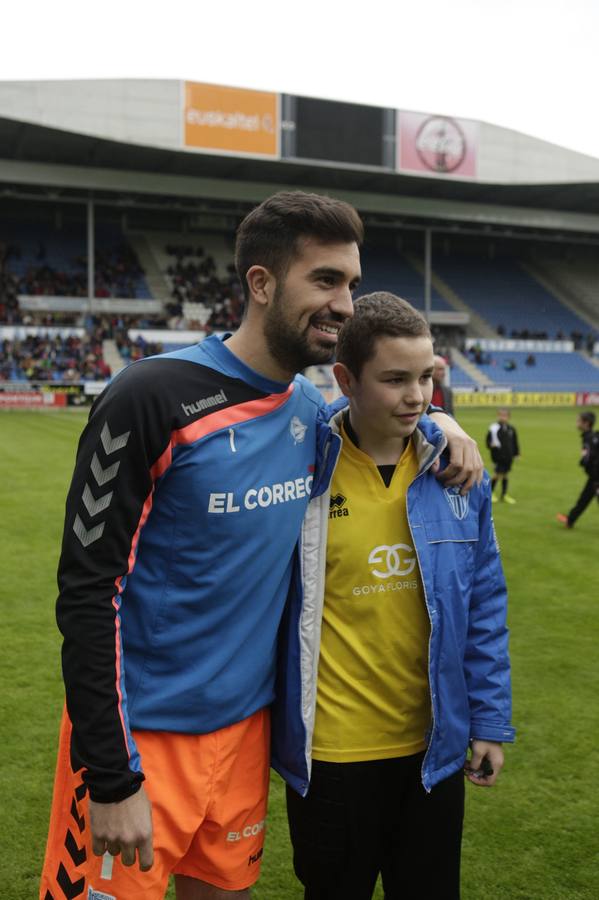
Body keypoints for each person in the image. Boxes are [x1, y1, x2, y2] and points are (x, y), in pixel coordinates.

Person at [40, 192, 484, 900]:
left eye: (351, 282)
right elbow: (89, 592)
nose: (345, 303)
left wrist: (439, 424)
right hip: (141, 738)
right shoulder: (149, 396)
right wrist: (110, 774)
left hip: (246, 737)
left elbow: (383, 413)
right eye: (325, 280)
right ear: (261, 283)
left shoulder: (312, 414)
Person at [274, 292, 514, 900]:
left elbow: (484, 605)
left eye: (426, 377)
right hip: (330, 757)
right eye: (395, 379)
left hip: (432, 755)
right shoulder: (300, 472)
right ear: (346, 379)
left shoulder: (458, 477)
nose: (417, 396)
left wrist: (487, 721)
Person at [557, 411, 599, 529]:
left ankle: (570, 520)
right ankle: (570, 520)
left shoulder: (590, 438)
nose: (577, 423)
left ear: (586, 423)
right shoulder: (591, 436)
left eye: (579, 421)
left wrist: (584, 463)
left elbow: (591, 458)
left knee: (588, 497)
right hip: (594, 476)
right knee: (584, 498)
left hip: (596, 477)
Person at [486, 408, 520, 504]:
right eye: (501, 415)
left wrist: (516, 453)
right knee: (497, 475)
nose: (503, 417)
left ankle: (504, 495)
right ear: (498, 416)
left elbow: (515, 442)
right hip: (498, 456)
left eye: (505, 416)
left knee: (505, 475)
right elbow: (488, 441)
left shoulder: (511, 429)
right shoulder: (494, 428)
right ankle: (490, 493)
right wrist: (490, 445)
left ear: (508, 417)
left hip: (508, 457)